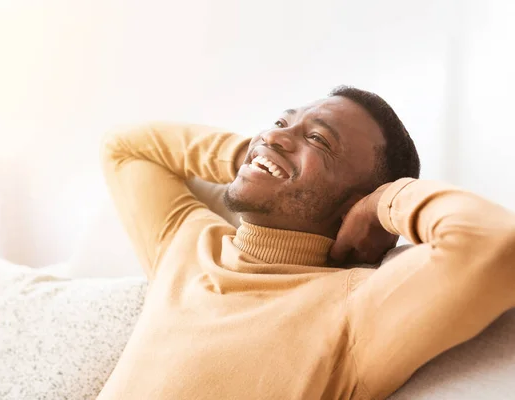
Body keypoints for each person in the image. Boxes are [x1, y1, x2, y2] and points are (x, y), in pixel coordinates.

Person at [96, 86, 515, 399]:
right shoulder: (187, 243)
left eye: (318, 140)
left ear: (356, 198)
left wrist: (384, 203)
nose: (275, 136)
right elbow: (124, 147)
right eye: (281, 122)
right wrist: (251, 155)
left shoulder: (354, 311)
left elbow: (495, 244)